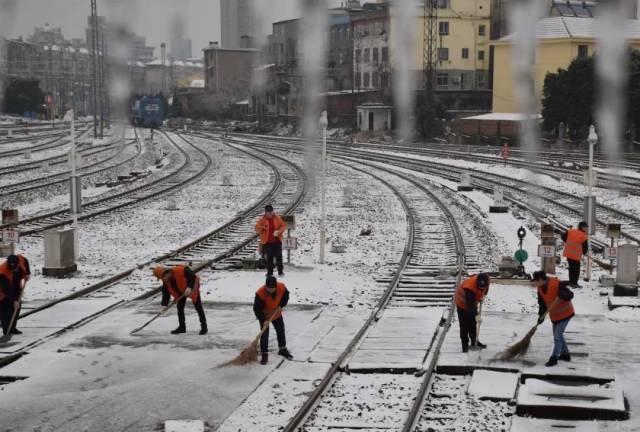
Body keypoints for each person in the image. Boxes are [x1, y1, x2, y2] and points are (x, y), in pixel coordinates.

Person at [531, 271, 575, 367]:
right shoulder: (540, 289)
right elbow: (542, 304)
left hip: (566, 313)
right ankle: (565, 354)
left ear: (541, 280)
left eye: (536, 281)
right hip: (555, 316)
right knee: (558, 335)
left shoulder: (556, 284)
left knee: (557, 336)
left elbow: (570, 294)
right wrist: (541, 316)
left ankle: (554, 358)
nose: (535, 283)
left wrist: (563, 294)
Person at [153, 265, 208, 335]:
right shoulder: (166, 281)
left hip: (192, 288)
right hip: (180, 292)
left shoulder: (181, 270)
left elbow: (193, 277)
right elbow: (165, 293)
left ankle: (204, 327)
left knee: (198, 307)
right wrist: (164, 305)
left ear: (166, 273)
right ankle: (182, 327)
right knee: (180, 308)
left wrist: (189, 287)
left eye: (162, 278)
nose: (163, 280)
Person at [253, 275, 293, 365]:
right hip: (265, 315)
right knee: (264, 334)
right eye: (268, 288)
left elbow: (286, 296)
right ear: (265, 286)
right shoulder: (260, 293)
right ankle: (264, 354)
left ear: (276, 286)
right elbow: (256, 309)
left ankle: (282, 349)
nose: (270, 290)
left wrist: (281, 305)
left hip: (276, 312)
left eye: (272, 288)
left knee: (280, 330)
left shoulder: (281, 287)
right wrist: (263, 320)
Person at [454, 273, 490, 352]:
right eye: (480, 286)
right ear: (477, 282)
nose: (481, 288)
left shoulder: (487, 279)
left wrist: (483, 296)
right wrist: (477, 317)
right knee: (464, 325)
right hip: (462, 303)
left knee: (473, 323)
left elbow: (486, 289)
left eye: (483, 287)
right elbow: (470, 306)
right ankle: (465, 346)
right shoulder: (469, 287)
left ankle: (474, 342)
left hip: (472, 302)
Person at [0, 254, 31, 336]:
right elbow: (7, 289)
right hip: (3, 291)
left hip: (16, 286)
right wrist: (13, 300)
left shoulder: (20, 259)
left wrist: (27, 273)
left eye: (15, 268)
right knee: (7, 308)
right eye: (11, 268)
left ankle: (13, 327)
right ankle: (6, 329)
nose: (13, 270)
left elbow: (25, 260)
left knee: (17, 307)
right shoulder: (2, 272)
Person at [255, 205, 287, 277]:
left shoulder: (277, 218)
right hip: (267, 242)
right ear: (265, 212)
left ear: (273, 211)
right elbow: (257, 228)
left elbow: (283, 226)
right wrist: (263, 227)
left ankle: (280, 272)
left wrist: (279, 231)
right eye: (268, 212)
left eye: (271, 212)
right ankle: (270, 272)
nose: (270, 214)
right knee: (269, 258)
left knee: (279, 257)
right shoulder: (262, 219)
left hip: (277, 241)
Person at [561, 222, 589, 288]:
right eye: (586, 227)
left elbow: (563, 237)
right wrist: (584, 253)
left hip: (568, 253)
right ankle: (574, 283)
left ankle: (571, 282)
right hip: (575, 255)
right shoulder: (583, 236)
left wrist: (569, 243)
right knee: (576, 270)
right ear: (583, 228)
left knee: (571, 268)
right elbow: (585, 248)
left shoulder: (571, 231)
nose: (587, 229)